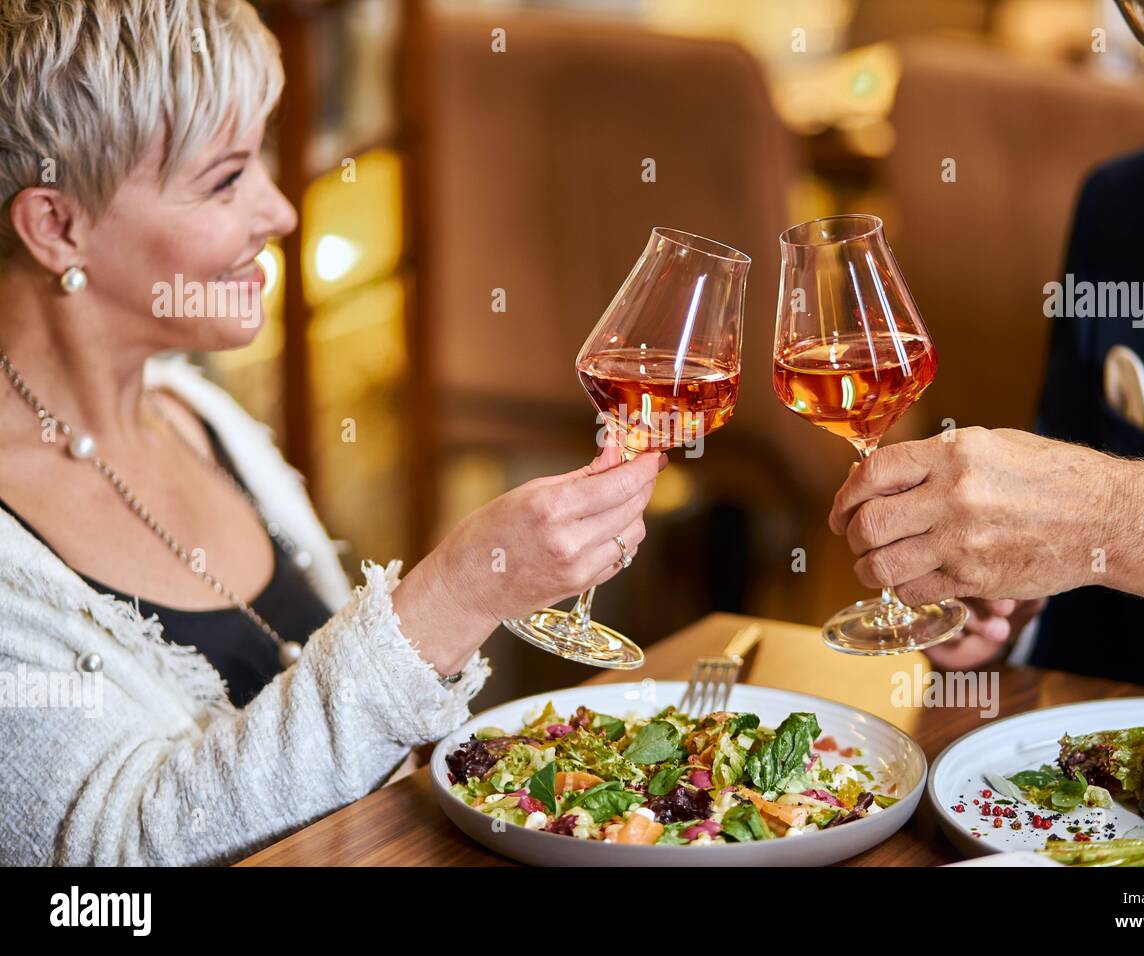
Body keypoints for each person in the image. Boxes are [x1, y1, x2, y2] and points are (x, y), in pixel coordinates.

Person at [0, 0, 661, 864]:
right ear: (57, 226)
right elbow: (113, 856)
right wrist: (459, 592)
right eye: (225, 178)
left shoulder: (206, 421)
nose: (281, 211)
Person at [829, 0, 1144, 700]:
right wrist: (1006, 612)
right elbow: (1097, 604)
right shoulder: (1130, 210)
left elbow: (1108, 523)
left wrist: (1138, 522)